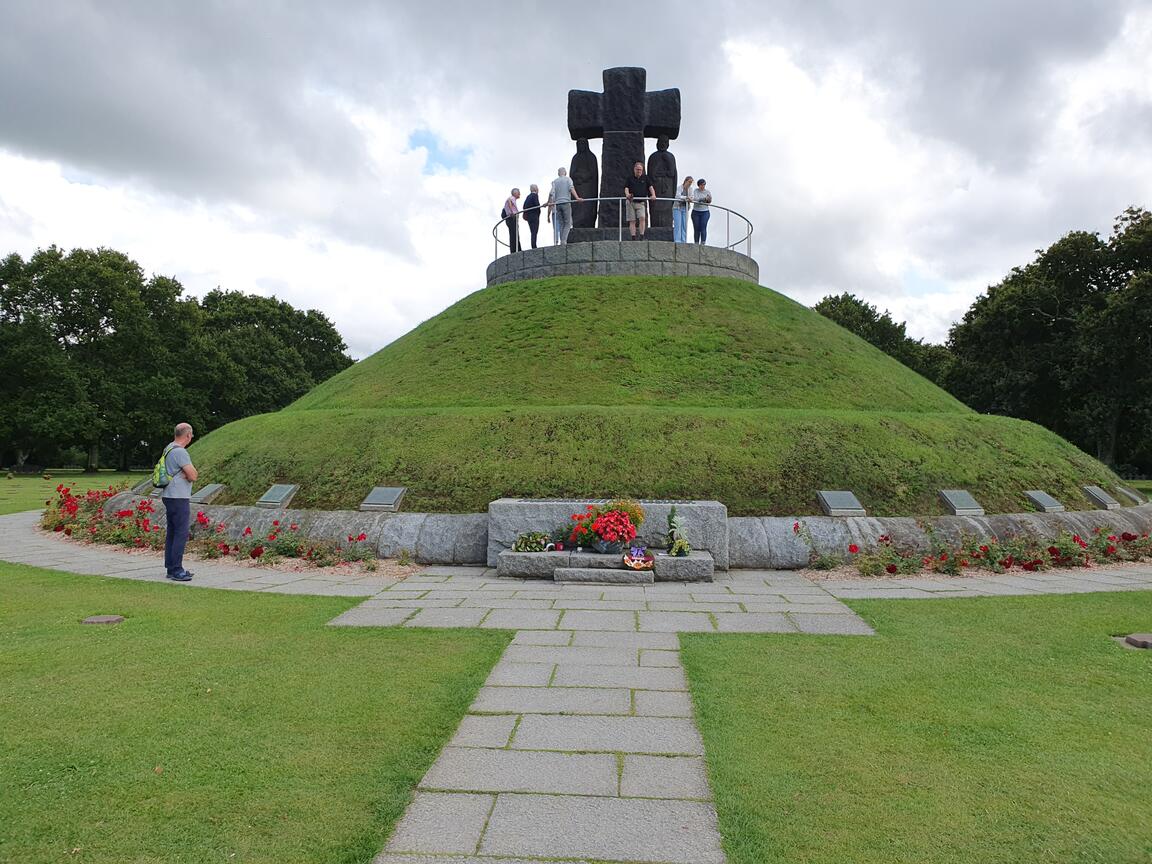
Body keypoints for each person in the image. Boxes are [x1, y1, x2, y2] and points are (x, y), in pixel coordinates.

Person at [160, 422, 197, 581]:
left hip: (169, 494)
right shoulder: (180, 452)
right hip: (178, 496)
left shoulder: (169, 447)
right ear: (188, 435)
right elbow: (193, 475)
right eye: (191, 435)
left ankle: (171, 567)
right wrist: (189, 472)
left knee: (173, 532)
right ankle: (177, 569)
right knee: (181, 533)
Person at [549, 167, 582, 244]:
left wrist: (548, 202)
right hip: (566, 202)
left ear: (558, 173)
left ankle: (562, 240)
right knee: (568, 222)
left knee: (561, 223)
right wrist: (577, 197)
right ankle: (563, 241)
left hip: (557, 204)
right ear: (565, 172)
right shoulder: (568, 179)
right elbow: (571, 188)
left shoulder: (555, 181)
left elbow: (551, 193)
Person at [623, 161, 656, 240]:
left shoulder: (646, 178)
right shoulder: (629, 178)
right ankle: (633, 237)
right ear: (634, 169)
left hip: (641, 202)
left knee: (642, 218)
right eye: (637, 169)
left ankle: (641, 236)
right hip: (631, 202)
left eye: (640, 170)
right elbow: (626, 188)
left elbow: (650, 187)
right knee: (632, 220)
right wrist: (627, 194)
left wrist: (653, 195)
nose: (639, 171)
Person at [691, 178, 712, 244]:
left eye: (704, 185)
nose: (703, 186)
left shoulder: (707, 192)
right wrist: (704, 199)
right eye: (701, 185)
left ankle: (703, 243)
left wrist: (705, 200)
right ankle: (696, 243)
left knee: (703, 227)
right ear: (699, 185)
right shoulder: (695, 191)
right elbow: (696, 199)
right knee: (696, 228)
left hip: (705, 212)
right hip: (696, 212)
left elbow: (709, 201)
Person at [673, 175, 694, 243]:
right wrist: (686, 198)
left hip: (685, 208)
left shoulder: (690, 189)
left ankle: (683, 240)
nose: (690, 183)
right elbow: (677, 196)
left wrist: (689, 198)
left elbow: (692, 197)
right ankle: (677, 240)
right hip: (677, 208)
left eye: (691, 182)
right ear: (685, 181)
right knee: (678, 225)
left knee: (684, 225)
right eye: (689, 182)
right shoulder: (680, 187)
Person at [522, 184, 541, 249]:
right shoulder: (535, 195)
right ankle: (534, 246)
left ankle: (533, 245)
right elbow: (537, 204)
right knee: (534, 231)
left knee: (532, 232)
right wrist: (538, 212)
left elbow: (524, 206)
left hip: (529, 217)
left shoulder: (528, 196)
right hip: (534, 216)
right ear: (535, 189)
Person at [502, 188, 521, 252]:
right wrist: (512, 211)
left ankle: (514, 250)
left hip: (510, 219)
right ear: (515, 193)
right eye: (518, 192)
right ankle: (517, 249)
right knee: (515, 234)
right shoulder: (512, 198)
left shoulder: (512, 199)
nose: (519, 194)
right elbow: (509, 200)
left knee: (512, 235)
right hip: (512, 218)